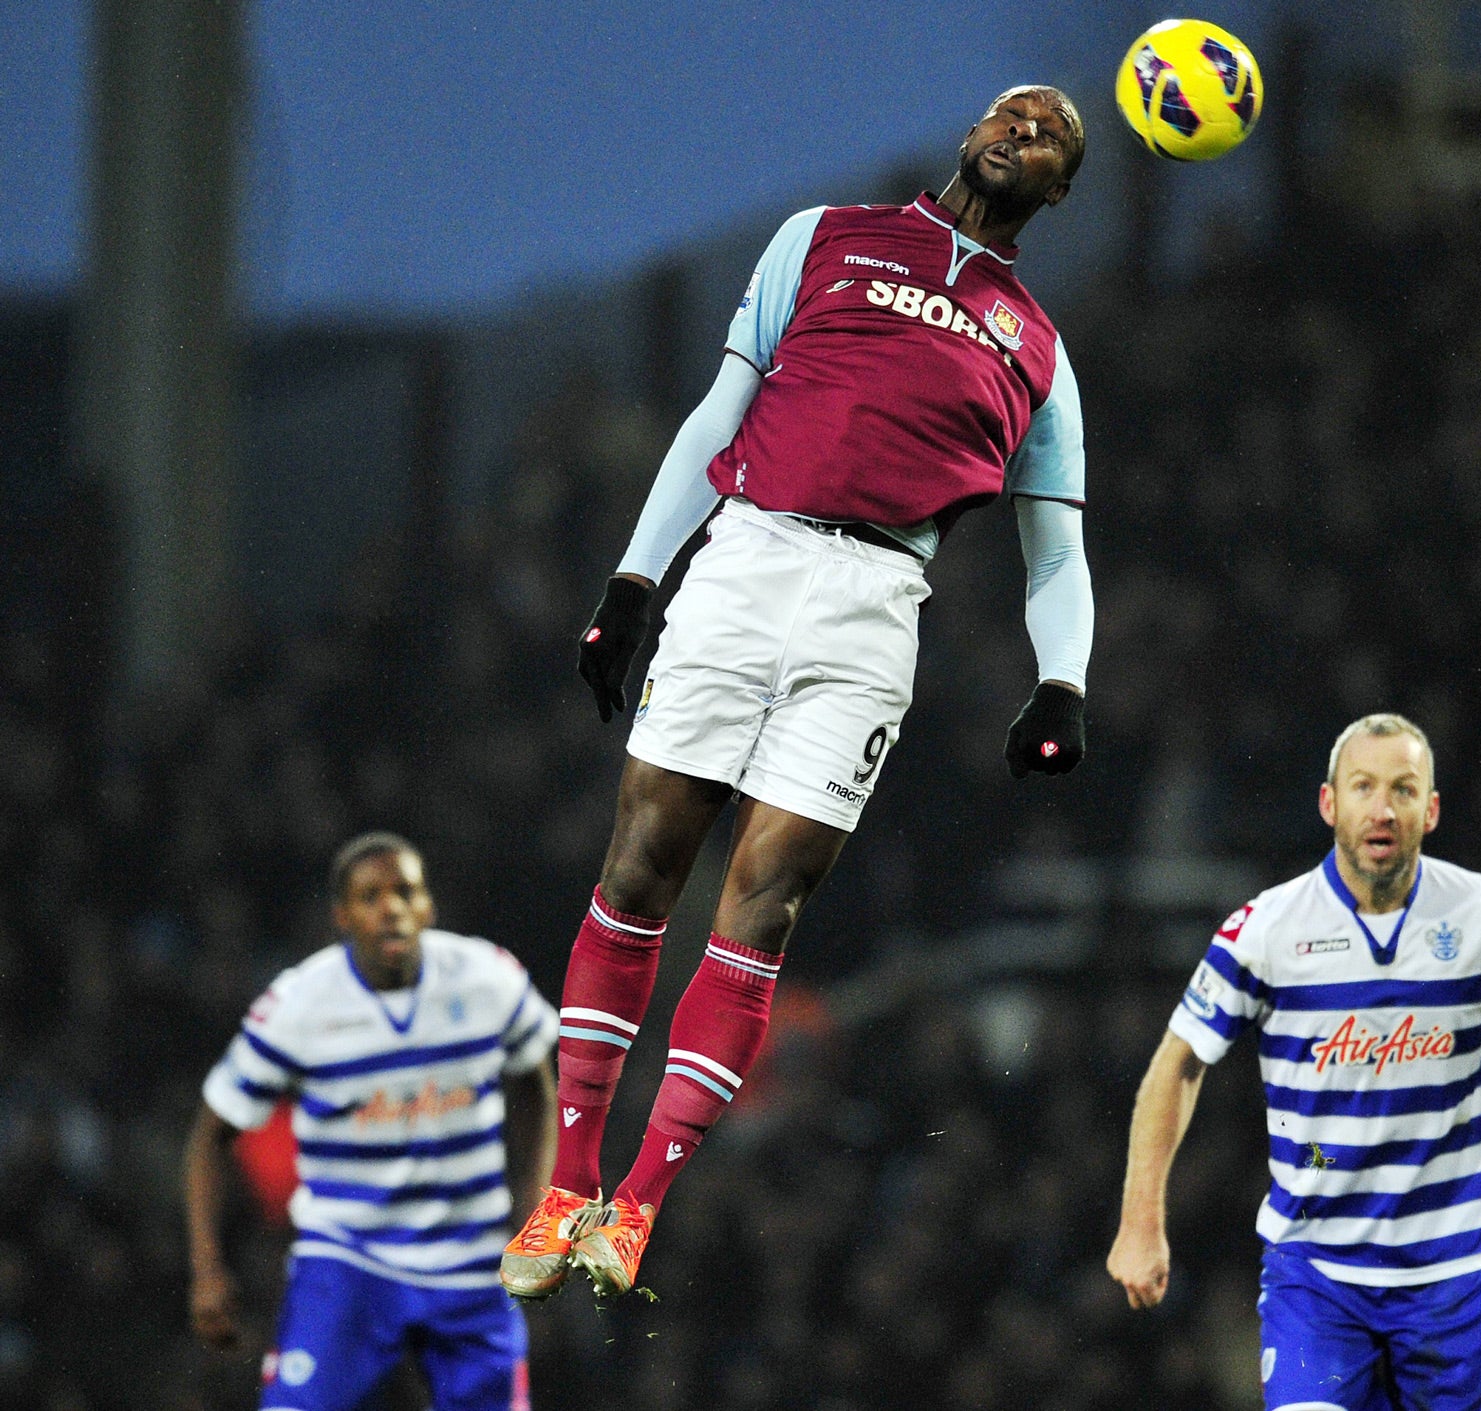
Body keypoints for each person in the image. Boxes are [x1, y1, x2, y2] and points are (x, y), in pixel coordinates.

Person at [500, 83, 1095, 1301]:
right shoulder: (823, 236)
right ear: (973, 132)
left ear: (1058, 192)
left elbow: (1056, 553)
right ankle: (563, 1186)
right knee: (641, 863)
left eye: (1051, 138)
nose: (1023, 130)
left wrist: (1062, 683)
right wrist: (631, 579)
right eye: (1013, 112)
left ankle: (638, 1205)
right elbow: (718, 410)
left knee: (759, 902)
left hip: (875, 611)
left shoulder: (1038, 348)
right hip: (747, 557)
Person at [1107, 715, 1481, 1411]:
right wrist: (1141, 1221)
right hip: (1318, 1281)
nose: (1382, 808)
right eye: (1364, 787)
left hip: (1455, 1279)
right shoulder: (1265, 929)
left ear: (1430, 810)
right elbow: (1178, 1063)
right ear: (1329, 803)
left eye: (1403, 789)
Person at [187, 833, 559, 1411]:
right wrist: (208, 1269)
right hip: (350, 1261)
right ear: (342, 916)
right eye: (370, 896)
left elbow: (536, 1082)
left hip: (472, 1261)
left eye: (405, 891)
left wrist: (534, 1209)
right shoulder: (299, 1005)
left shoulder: (487, 979)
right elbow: (212, 1135)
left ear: (428, 906)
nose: (390, 907)